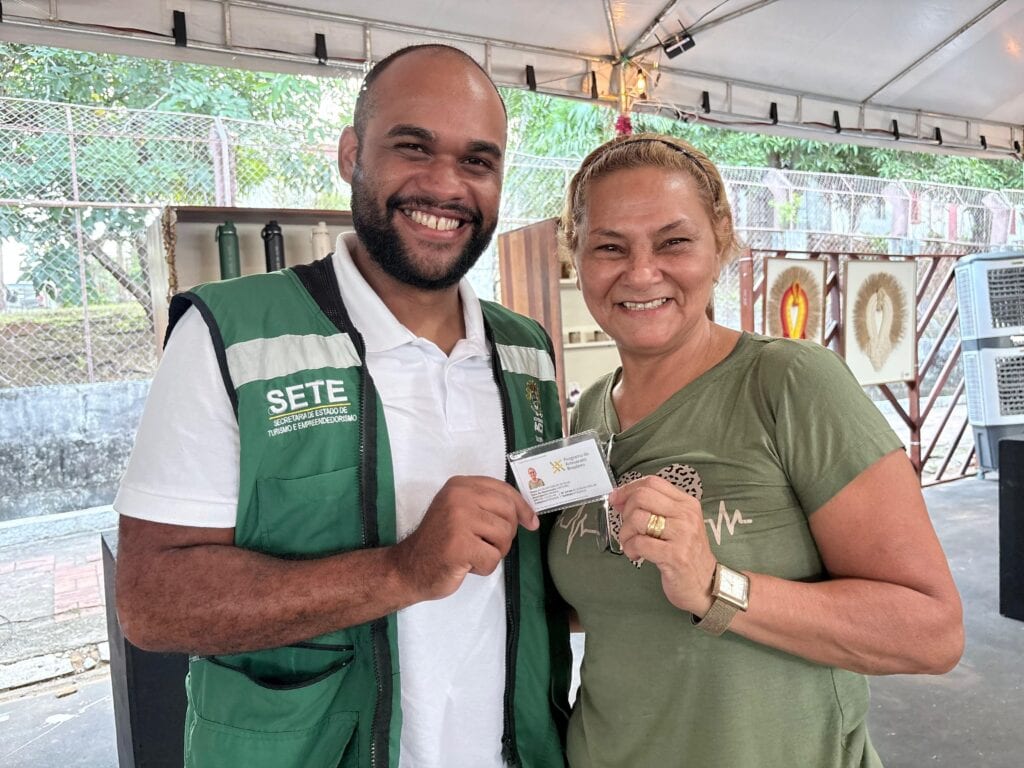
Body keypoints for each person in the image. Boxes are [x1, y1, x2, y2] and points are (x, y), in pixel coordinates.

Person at [114, 44, 570, 768]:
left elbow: (547, 566)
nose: (445, 185)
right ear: (351, 154)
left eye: (478, 161)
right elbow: (152, 602)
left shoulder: (527, 349)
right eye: (413, 146)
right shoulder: (231, 333)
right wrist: (401, 570)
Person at [548, 133, 964, 767]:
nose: (641, 272)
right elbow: (609, 605)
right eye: (609, 247)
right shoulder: (589, 413)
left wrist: (716, 585)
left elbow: (931, 632)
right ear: (575, 257)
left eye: (673, 242)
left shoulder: (789, 382)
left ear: (721, 245)